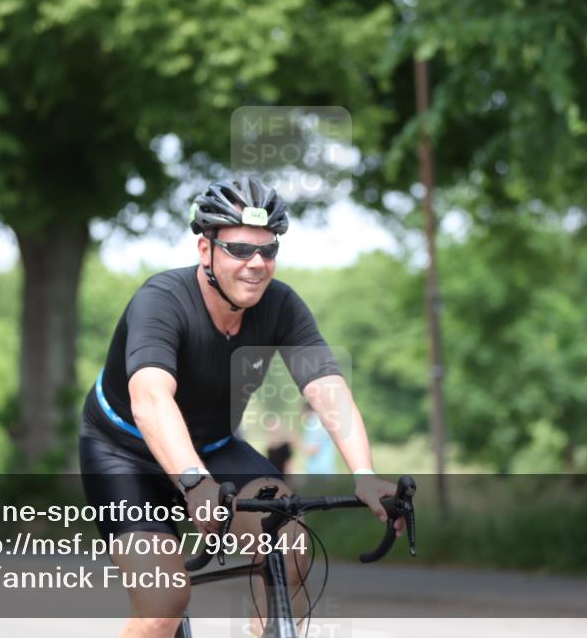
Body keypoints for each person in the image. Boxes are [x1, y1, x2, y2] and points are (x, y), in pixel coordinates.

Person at [78, 177, 403, 638]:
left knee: (290, 548)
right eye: (239, 250)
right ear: (205, 250)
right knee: (163, 602)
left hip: (214, 446)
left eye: (267, 251)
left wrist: (365, 473)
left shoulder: (281, 306)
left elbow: (326, 388)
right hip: (124, 453)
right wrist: (194, 483)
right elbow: (150, 401)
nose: (256, 264)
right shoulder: (162, 301)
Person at [302, 403, 336, 475]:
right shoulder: (324, 421)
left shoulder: (314, 423)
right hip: (327, 470)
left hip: (318, 471)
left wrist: (295, 441)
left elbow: (313, 450)